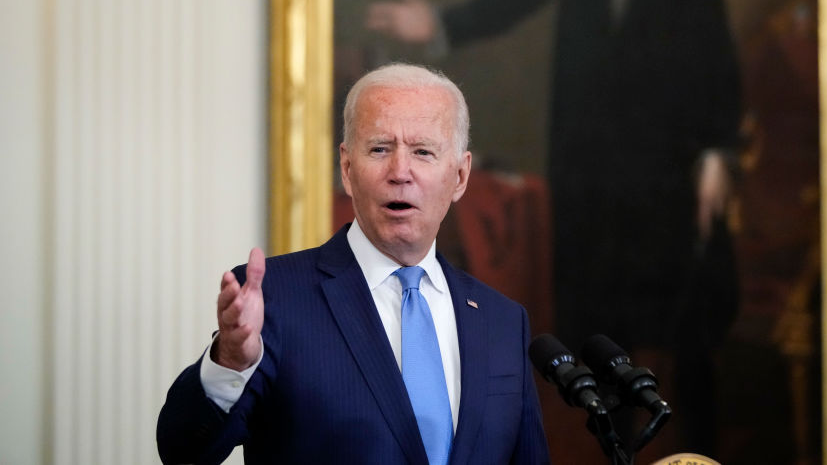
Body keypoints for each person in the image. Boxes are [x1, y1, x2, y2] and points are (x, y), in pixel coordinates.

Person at [367, 0, 740, 455]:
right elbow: (513, 1)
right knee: (599, 317)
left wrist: (715, 152)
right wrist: (440, 25)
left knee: (682, 320)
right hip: (590, 168)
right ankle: (611, 447)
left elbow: (716, 64)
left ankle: (694, 447)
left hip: (664, 172)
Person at [157, 63, 550, 464]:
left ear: (461, 176)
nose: (400, 172)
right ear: (347, 169)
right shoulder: (275, 299)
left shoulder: (502, 321)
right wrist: (229, 364)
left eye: (423, 152)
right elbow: (183, 451)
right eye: (380, 148)